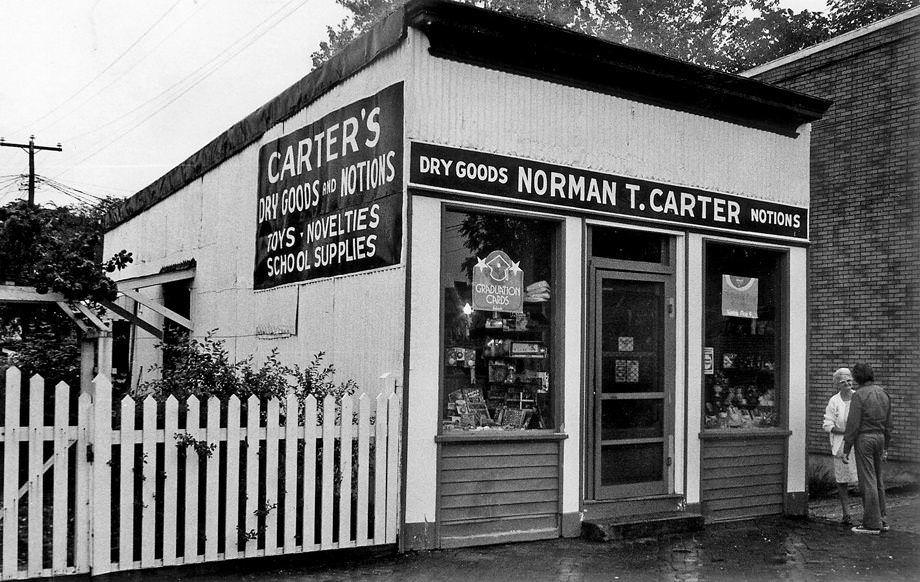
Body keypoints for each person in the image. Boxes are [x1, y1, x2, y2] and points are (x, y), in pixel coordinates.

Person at [843, 363, 892, 534]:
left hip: (864, 439)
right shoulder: (883, 393)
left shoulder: (859, 395)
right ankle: (882, 519)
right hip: (880, 437)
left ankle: (871, 523)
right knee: (878, 480)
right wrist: (886, 446)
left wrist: (846, 448)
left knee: (867, 480)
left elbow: (853, 424)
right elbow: (889, 424)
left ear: (857, 378)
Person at [822, 367, 858, 525]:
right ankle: (846, 514)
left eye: (849, 380)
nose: (847, 384)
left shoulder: (858, 397)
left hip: (858, 444)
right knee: (842, 480)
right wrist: (844, 431)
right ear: (837, 384)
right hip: (841, 444)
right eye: (843, 381)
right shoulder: (834, 401)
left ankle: (868, 513)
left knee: (863, 479)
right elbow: (827, 424)